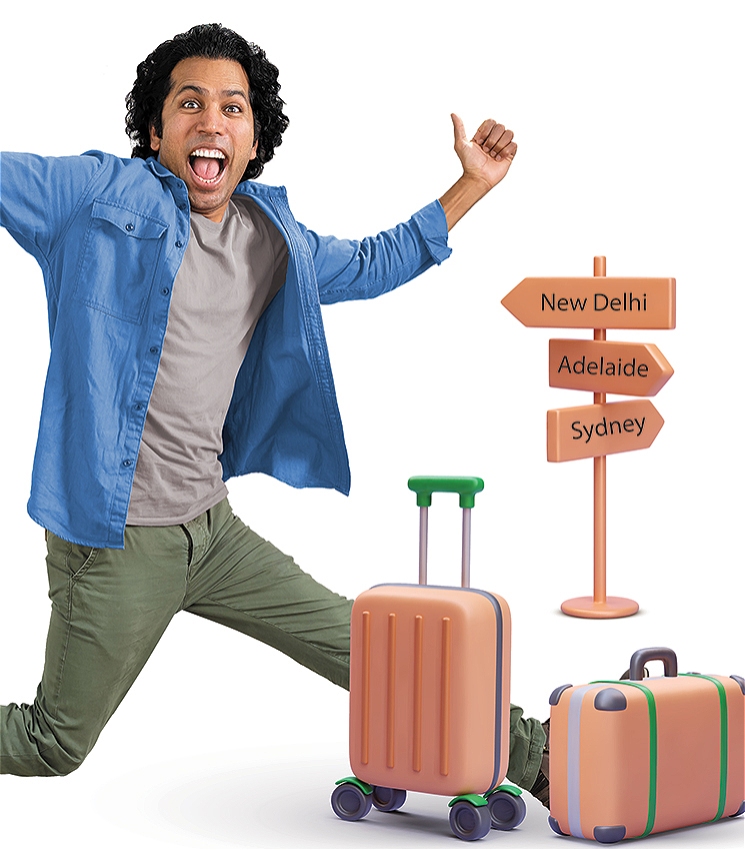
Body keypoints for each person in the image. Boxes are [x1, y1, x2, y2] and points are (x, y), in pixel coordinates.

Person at [0, 23, 548, 805]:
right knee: (54, 743)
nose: (211, 121)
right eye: (188, 104)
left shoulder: (270, 238)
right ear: (156, 131)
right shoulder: (91, 197)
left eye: (233, 107)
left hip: (213, 532)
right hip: (115, 546)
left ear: (255, 139)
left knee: (372, 646)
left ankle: (541, 757)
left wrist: (472, 184)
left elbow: (370, 262)